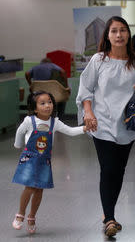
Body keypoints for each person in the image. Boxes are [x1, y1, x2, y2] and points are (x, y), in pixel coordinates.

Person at [76, 16, 135, 237]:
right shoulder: (99, 60)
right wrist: (88, 112)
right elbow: (86, 89)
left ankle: (108, 211)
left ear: (128, 34)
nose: (119, 35)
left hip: (127, 123)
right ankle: (109, 218)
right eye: (114, 31)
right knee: (108, 168)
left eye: (123, 30)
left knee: (119, 171)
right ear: (107, 36)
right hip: (102, 121)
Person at [11, 91, 86, 234]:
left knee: (39, 189)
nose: (47, 106)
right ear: (34, 108)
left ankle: (32, 217)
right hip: (30, 159)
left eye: (50, 102)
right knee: (30, 187)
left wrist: (84, 128)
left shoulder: (54, 122)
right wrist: (17, 144)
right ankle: (20, 214)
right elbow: (20, 132)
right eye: (42, 103)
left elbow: (69, 131)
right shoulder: (29, 121)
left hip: (44, 161)